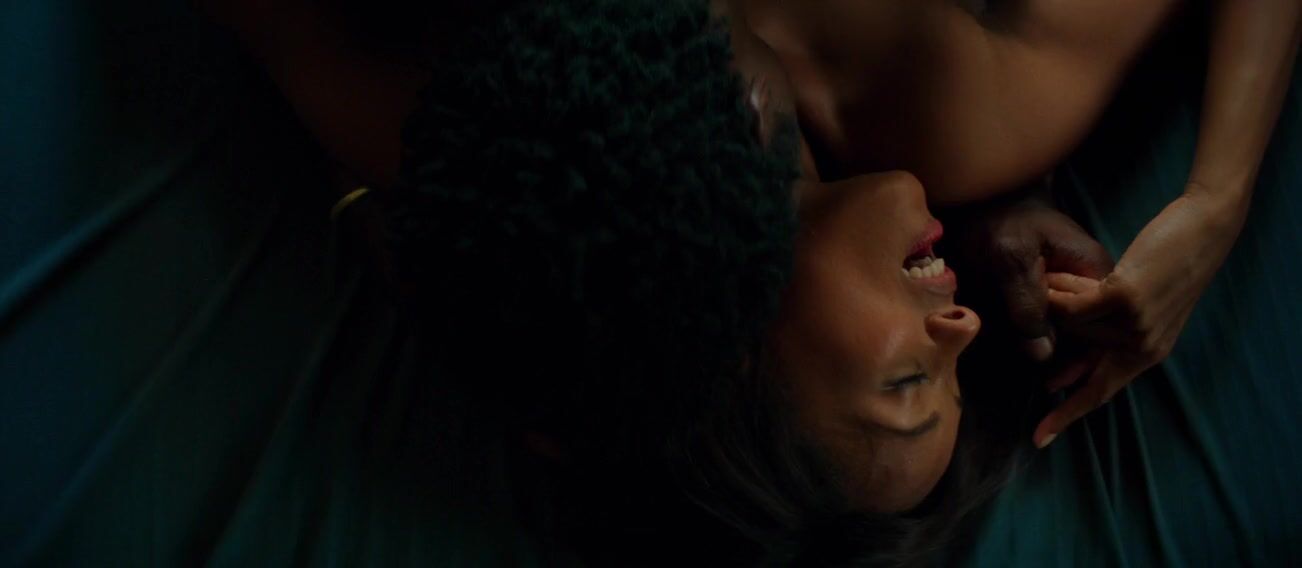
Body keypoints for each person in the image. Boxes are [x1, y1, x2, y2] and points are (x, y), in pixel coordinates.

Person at [381, 0, 1023, 564]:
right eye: (958, 378)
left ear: (726, 361)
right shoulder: (979, 111)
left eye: (907, 380)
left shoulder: (508, 152)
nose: (965, 327)